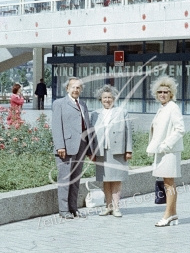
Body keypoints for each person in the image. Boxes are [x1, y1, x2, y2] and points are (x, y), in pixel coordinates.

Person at [51, 77, 96, 219]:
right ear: (67, 89)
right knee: (65, 180)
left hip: (81, 147)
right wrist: (60, 146)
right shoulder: (59, 104)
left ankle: (73, 208)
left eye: (78, 88)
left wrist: (90, 148)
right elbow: (56, 126)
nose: (76, 90)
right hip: (66, 147)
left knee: (76, 180)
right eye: (73, 87)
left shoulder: (83, 104)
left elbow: (87, 126)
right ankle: (64, 210)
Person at [146, 76, 185, 227]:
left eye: (166, 92)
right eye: (159, 92)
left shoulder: (173, 107)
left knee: (168, 183)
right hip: (162, 151)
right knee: (167, 183)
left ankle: (167, 215)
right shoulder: (162, 108)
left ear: (171, 94)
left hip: (169, 151)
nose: (162, 94)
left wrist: (165, 146)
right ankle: (173, 213)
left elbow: (180, 130)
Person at [89, 85, 132, 217]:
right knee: (105, 180)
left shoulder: (122, 112)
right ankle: (108, 207)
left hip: (117, 151)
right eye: (104, 98)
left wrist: (128, 150)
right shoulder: (95, 114)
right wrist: (91, 152)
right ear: (100, 99)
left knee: (116, 180)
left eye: (109, 97)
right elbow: (91, 134)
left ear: (114, 98)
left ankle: (117, 207)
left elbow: (128, 132)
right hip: (101, 152)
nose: (107, 100)